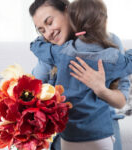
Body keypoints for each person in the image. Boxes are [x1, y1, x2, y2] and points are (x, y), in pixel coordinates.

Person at [29, 0, 130, 150]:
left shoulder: (108, 43)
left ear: (68, 11)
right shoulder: (51, 49)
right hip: (63, 131)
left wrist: (102, 90)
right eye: (42, 30)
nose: (48, 33)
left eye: (50, 22)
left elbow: (121, 101)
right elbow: (34, 86)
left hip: (100, 128)